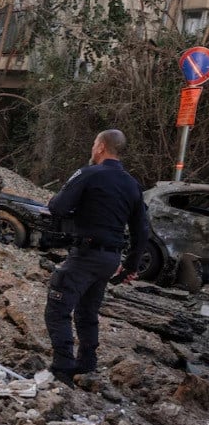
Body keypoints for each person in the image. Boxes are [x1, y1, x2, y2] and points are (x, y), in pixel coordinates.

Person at [44, 129, 149, 387]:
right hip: (110, 259)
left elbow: (58, 207)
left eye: (94, 144)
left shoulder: (88, 174)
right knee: (87, 311)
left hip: (85, 254)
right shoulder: (132, 185)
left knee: (57, 308)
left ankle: (63, 368)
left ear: (101, 147)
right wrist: (130, 266)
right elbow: (142, 231)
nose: (92, 148)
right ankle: (87, 363)